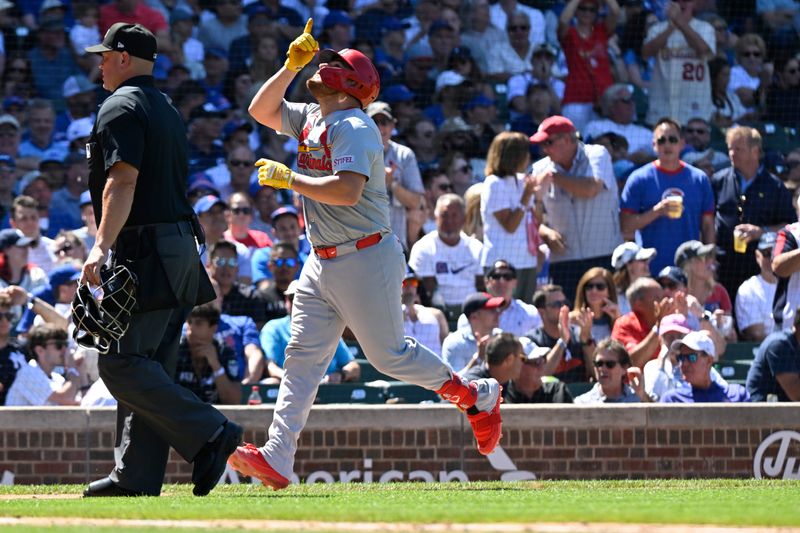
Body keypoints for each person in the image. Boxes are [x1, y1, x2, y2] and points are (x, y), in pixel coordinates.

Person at [228, 23, 504, 490]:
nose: (323, 65)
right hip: (321, 259)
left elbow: (347, 190)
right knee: (302, 357)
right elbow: (261, 109)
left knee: (388, 357)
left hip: (366, 255)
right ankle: (277, 455)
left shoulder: (354, 125)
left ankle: (474, 394)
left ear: (352, 84)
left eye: (333, 64)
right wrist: (290, 67)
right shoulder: (316, 116)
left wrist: (289, 180)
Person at [80, 23, 242, 498]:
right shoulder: (165, 106)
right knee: (150, 363)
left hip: (145, 249)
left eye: (106, 56)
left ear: (124, 58)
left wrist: (99, 245)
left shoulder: (121, 105)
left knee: (121, 362)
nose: (101, 63)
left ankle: (211, 432)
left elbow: (122, 181)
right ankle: (136, 474)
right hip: (177, 247)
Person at [530, 116, 622, 302]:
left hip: (604, 255)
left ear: (567, 140)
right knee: (569, 317)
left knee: (608, 313)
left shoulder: (596, 154)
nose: (544, 149)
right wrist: (545, 232)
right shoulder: (539, 168)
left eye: (548, 142)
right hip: (565, 260)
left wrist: (554, 178)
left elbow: (590, 188)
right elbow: (532, 218)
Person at [620, 118, 716, 274]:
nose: (667, 145)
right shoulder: (638, 179)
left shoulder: (699, 179)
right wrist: (657, 211)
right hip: (650, 268)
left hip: (691, 268)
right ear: (654, 145)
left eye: (672, 139)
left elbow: (707, 226)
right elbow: (625, 226)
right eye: (661, 140)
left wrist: (710, 262)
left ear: (682, 143)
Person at [712, 126, 795, 297]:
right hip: (723, 266)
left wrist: (762, 232)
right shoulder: (718, 181)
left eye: (738, 149)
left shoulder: (775, 187)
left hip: (758, 268)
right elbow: (706, 220)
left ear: (755, 151)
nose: (732, 154)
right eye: (730, 149)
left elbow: (790, 226)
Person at [260, 280, 360, 384]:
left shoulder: (328, 327)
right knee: (271, 382)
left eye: (305, 299)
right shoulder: (274, 328)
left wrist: (341, 375)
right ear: (286, 301)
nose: (298, 303)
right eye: (293, 298)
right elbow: (270, 367)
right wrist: (296, 381)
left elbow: (353, 367)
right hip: (291, 388)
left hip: (327, 389)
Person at [409, 194, 484, 319]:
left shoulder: (476, 248)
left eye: (454, 215)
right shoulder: (424, 247)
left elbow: (482, 285)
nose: (449, 220)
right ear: (435, 217)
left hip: (472, 312)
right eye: (444, 215)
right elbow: (425, 290)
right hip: (438, 313)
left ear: (463, 218)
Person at [641, 0, 715, 126]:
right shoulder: (657, 29)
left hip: (695, 107)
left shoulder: (705, 28)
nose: (682, 3)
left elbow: (704, 50)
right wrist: (672, 27)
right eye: (676, 0)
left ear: (695, 4)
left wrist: (681, 23)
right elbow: (645, 54)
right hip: (662, 107)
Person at [367, 101, 424, 250]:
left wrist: (392, 184)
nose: (379, 128)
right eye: (374, 122)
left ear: (393, 125)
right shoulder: (356, 152)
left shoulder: (404, 155)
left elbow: (416, 203)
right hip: (363, 242)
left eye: (384, 122)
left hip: (395, 243)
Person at [557, 0, 620, 132]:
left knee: (603, 144)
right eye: (583, 9)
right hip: (576, 99)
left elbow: (615, 11)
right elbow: (563, 21)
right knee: (576, 144)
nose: (587, 13)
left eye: (592, 10)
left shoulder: (601, 31)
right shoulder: (570, 34)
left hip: (603, 102)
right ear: (576, 11)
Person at [527, 284, 595, 383]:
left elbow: (595, 373)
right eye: (557, 304)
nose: (564, 308)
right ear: (542, 312)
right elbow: (539, 375)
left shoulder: (578, 333)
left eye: (565, 303)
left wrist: (586, 340)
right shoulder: (532, 340)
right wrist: (563, 341)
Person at [177, 303, 242, 405]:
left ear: (213, 328)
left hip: (216, 416)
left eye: (198, 323)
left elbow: (234, 400)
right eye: (189, 322)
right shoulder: (177, 349)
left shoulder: (224, 351)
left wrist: (216, 365)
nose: (190, 330)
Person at [456, 260, 541, 336]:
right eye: (496, 276)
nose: (502, 281)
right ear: (486, 282)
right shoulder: (471, 315)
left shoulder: (530, 313)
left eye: (507, 276)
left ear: (515, 282)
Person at [660, 330, 749, 403]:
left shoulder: (737, 395)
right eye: (681, 358)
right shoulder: (672, 400)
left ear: (709, 361)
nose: (684, 363)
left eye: (692, 357)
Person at [4, 323, 79, 406]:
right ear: (40, 350)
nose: (64, 350)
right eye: (59, 345)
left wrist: (80, 371)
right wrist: (72, 369)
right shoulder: (29, 372)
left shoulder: (57, 378)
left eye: (66, 345)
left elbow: (75, 402)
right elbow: (65, 398)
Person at [583, 83, 654, 165]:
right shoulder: (595, 127)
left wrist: (645, 159)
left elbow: (660, 159)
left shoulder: (646, 133)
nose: (631, 104)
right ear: (611, 106)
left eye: (632, 100)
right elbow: (587, 156)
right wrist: (628, 157)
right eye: (626, 100)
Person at [611, 277, 672, 368]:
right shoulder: (624, 324)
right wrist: (658, 328)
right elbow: (631, 362)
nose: (663, 302)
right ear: (638, 303)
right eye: (658, 298)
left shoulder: (670, 321)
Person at [573, 338, 650, 403]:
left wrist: (642, 396)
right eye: (599, 364)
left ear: (624, 368)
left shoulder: (637, 397)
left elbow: (657, 417)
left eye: (610, 364)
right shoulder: (582, 403)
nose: (602, 369)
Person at [746, 310, 800, 402]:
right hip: (760, 411)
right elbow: (797, 395)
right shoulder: (779, 344)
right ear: (796, 326)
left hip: (785, 411)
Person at [736, 232, 778, 341]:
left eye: (775, 253)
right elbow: (756, 334)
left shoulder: (794, 284)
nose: (771, 259)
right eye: (767, 253)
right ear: (757, 256)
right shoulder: (748, 289)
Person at [402, 270, 448, 358]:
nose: (409, 287)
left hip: (435, 368)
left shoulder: (436, 314)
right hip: (406, 369)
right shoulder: (391, 317)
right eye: (404, 283)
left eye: (413, 283)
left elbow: (446, 345)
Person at [505, 344, 574, 404]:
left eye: (542, 359)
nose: (542, 368)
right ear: (518, 365)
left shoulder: (558, 391)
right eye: (536, 362)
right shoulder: (501, 396)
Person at [571, 267, 619, 342]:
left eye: (600, 287)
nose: (594, 291)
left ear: (609, 292)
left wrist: (618, 320)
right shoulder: (572, 319)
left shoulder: (618, 318)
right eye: (589, 286)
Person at [610, 241, 656, 315]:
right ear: (629, 265)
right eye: (643, 260)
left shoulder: (653, 291)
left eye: (647, 260)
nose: (647, 263)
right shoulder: (612, 296)